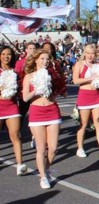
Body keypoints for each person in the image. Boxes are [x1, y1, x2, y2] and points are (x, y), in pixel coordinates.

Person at [22, 49, 61, 189]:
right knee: (41, 148)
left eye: (47, 59)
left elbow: (59, 91)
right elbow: (25, 98)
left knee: (54, 148)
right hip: (37, 112)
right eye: (42, 58)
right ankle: (43, 177)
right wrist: (36, 89)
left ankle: (46, 168)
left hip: (52, 110)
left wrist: (57, 92)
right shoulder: (29, 76)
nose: (45, 61)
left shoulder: (52, 75)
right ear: (36, 60)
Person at [72, 44, 99, 159]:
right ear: (84, 53)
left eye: (92, 53)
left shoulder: (98, 65)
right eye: (88, 53)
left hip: (96, 96)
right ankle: (80, 148)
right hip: (84, 96)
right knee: (84, 124)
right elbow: (75, 81)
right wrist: (90, 78)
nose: (90, 56)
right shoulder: (79, 64)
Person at [0, 46, 28, 176]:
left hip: (11, 106)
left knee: (16, 135)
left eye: (9, 54)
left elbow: (19, 90)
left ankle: (20, 164)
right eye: (4, 54)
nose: (6, 56)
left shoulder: (15, 72)